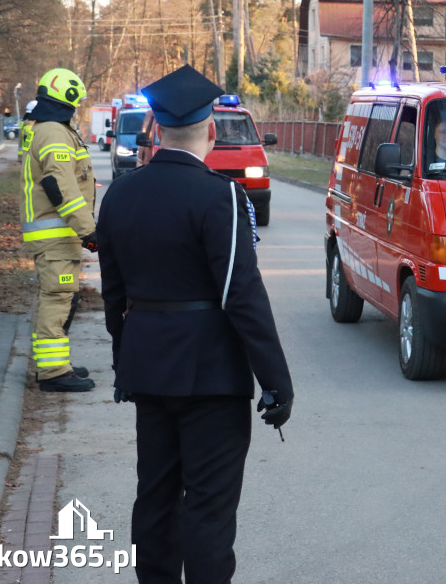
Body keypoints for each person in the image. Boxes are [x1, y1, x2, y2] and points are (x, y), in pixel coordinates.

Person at [97, 64, 294, 584]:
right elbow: (242, 295)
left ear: (156, 131)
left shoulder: (119, 194)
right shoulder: (221, 196)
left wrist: (127, 360)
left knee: (155, 500)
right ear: (211, 131)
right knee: (208, 510)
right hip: (211, 377)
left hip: (149, 370)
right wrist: (275, 381)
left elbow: (113, 294)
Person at [21, 69, 97, 392]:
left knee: (61, 297)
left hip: (57, 236)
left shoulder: (52, 129)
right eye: (76, 101)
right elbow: (60, 186)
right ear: (67, 98)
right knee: (57, 297)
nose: (78, 107)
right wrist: (89, 230)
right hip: (56, 235)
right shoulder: (53, 132)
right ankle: (53, 373)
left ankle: (54, 363)